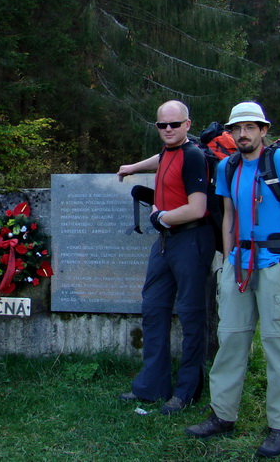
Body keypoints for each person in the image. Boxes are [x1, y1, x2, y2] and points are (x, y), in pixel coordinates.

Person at [185, 102, 280, 458]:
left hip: (274, 265)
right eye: (237, 129)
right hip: (238, 264)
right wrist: (227, 261)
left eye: (250, 128)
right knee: (231, 342)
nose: (243, 134)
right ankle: (222, 415)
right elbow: (227, 217)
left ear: (263, 130)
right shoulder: (227, 166)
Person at [116, 100, 216, 415]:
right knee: (154, 309)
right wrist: (133, 168)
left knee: (190, 315)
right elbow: (160, 159)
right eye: (162, 125)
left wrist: (162, 218)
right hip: (165, 243)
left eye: (175, 124)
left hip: (192, 240)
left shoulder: (195, 156)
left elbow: (197, 208)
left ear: (188, 124)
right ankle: (152, 386)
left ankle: (186, 391)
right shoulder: (169, 151)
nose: (168, 130)